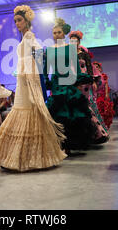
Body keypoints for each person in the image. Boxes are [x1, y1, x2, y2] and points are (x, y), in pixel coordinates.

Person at [0, 5, 67, 172]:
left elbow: (39, 54)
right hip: (23, 80)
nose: (17, 23)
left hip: (28, 80)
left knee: (28, 110)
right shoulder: (25, 38)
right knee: (22, 109)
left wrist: (31, 75)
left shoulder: (30, 36)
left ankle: (31, 157)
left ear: (27, 21)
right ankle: (21, 156)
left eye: (19, 20)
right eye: (15, 21)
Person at [44, 19, 94, 156]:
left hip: (69, 82)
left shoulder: (70, 48)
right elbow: (45, 69)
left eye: (59, 32)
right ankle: (58, 145)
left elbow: (77, 69)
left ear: (64, 33)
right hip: (56, 84)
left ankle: (69, 145)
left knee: (70, 113)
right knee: (57, 113)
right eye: (54, 33)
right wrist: (46, 81)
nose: (56, 35)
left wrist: (79, 81)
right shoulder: (48, 50)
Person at [69, 31, 109, 144]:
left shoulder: (84, 54)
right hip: (73, 82)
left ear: (79, 42)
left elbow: (89, 68)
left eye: (75, 41)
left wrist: (92, 81)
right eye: (71, 41)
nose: (73, 43)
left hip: (85, 82)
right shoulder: (69, 54)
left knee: (88, 105)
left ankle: (97, 134)